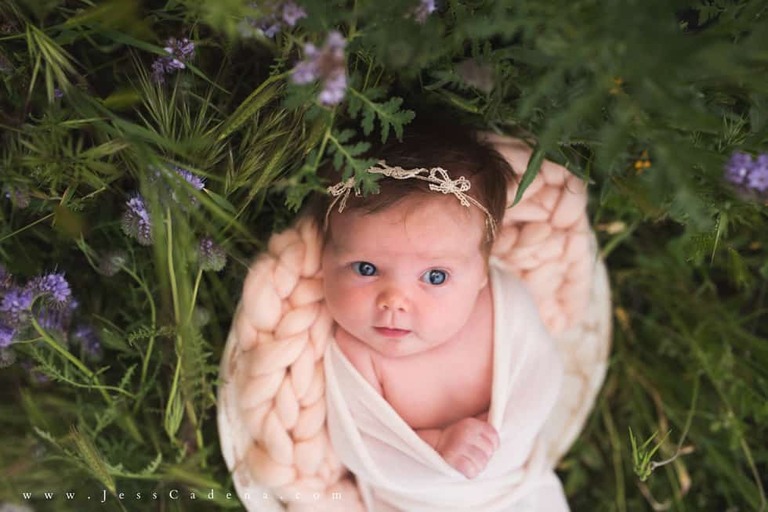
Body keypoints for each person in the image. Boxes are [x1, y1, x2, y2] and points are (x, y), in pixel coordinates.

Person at [306, 120, 569, 511]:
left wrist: (504, 429)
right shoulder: (354, 353)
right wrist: (437, 446)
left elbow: (540, 374)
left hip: (516, 488)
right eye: (365, 268)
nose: (394, 301)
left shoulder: (503, 304)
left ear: (482, 272)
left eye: (434, 276)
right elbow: (366, 446)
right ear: (324, 258)